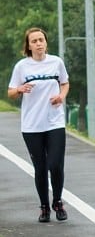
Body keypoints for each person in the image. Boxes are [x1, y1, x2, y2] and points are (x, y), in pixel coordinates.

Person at [7, 26, 70, 223]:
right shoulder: (22, 67)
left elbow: (65, 83)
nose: (38, 44)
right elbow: (10, 92)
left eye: (41, 40)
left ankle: (58, 202)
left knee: (55, 165)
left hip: (55, 122)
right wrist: (20, 89)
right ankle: (44, 207)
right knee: (41, 168)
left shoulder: (56, 62)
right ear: (29, 46)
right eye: (34, 41)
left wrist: (61, 96)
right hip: (32, 125)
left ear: (46, 42)